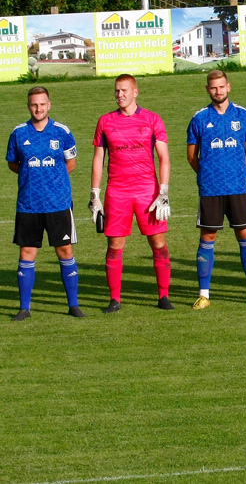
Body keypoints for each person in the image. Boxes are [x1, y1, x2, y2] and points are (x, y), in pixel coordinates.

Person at [89, 74, 173, 312]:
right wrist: (95, 194)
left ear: (135, 92)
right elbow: (98, 159)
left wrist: (163, 191)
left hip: (148, 192)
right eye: (117, 91)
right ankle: (114, 300)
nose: (120, 95)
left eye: (124, 90)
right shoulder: (105, 121)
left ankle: (163, 296)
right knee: (114, 245)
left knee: (158, 244)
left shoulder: (152, 119)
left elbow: (164, 158)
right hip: (117, 193)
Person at [187, 70, 246, 308]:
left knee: (245, 235)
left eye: (221, 87)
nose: (218, 91)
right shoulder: (200, 118)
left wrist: (237, 174)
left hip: (238, 188)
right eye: (213, 87)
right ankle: (204, 294)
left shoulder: (244, 116)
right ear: (207, 89)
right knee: (208, 237)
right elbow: (192, 156)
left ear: (228, 87)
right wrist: (207, 174)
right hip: (210, 190)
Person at [6, 87, 84, 321]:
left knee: (65, 250)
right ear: (28, 106)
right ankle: (25, 308)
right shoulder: (19, 133)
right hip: (28, 204)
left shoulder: (62, 132)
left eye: (42, 104)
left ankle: (73, 305)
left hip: (58, 204)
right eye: (33, 104)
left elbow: (71, 163)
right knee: (27, 252)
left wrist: (52, 180)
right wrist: (31, 175)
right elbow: (13, 163)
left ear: (49, 105)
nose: (38, 108)